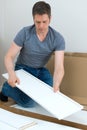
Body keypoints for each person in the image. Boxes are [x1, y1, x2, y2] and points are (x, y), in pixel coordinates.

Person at [0, 1, 65, 107]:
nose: (41, 26)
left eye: (44, 22)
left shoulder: (58, 38)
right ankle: (6, 88)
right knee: (29, 103)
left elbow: (59, 67)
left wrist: (56, 84)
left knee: (50, 95)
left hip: (41, 71)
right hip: (23, 69)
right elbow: (9, 56)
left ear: (50, 18)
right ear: (33, 19)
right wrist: (11, 74)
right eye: (37, 22)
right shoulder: (25, 33)